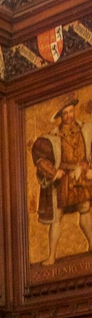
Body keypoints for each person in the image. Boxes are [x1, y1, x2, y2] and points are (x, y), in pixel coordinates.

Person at [31, 98, 92, 266]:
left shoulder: (85, 129)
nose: (68, 116)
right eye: (65, 113)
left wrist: (89, 169)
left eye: (70, 112)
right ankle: (52, 256)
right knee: (57, 215)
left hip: (81, 174)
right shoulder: (53, 136)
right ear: (60, 116)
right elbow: (41, 157)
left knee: (84, 208)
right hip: (64, 177)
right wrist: (53, 172)